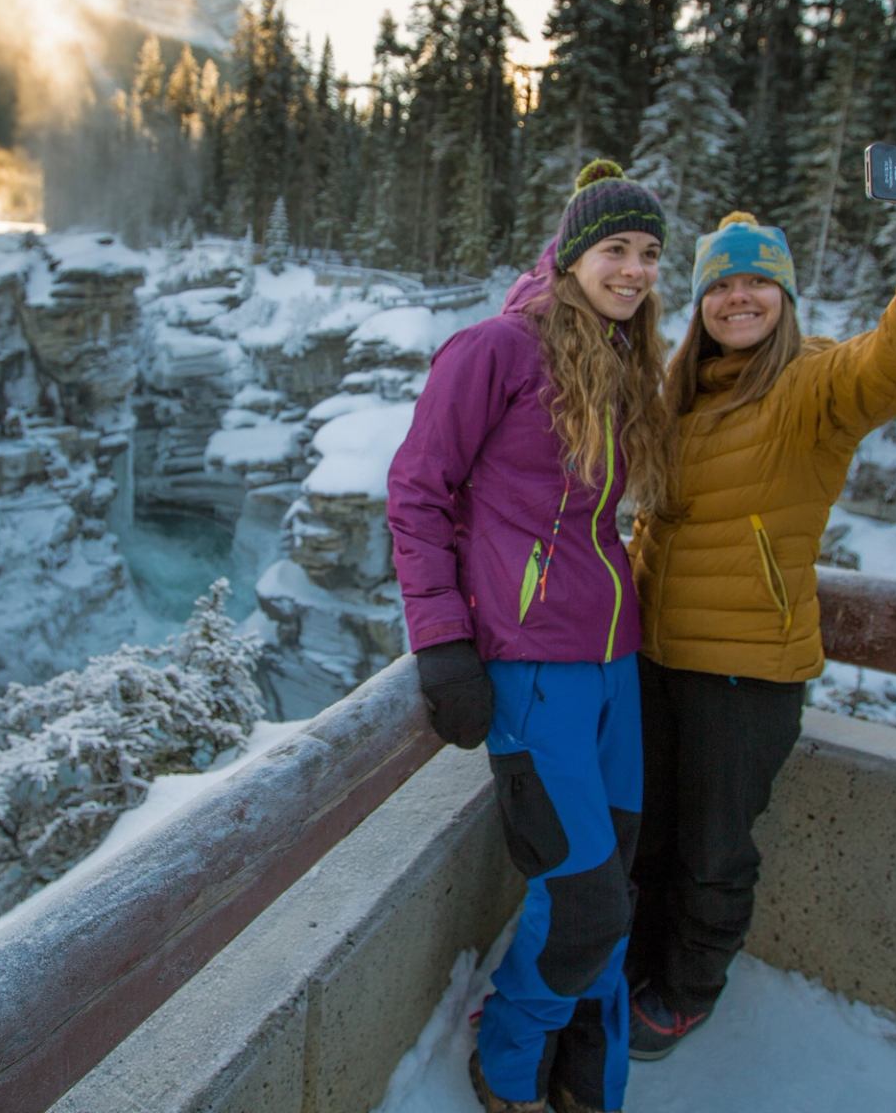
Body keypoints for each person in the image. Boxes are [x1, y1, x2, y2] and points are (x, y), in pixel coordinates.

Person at [623, 132, 896, 1059]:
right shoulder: (673, 394)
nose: (738, 296)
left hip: (744, 677)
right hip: (648, 659)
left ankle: (684, 991)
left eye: (758, 282)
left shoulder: (811, 386)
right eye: (721, 284)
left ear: (785, 297)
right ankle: (629, 964)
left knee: (713, 850)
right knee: (644, 836)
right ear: (702, 302)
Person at [387, 160, 670, 1113]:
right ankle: (508, 1062)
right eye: (616, 250)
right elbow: (416, 493)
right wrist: (441, 642)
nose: (633, 270)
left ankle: (590, 1066)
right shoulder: (497, 350)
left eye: (649, 254)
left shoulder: (622, 360)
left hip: (614, 664)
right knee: (583, 891)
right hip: (534, 671)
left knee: (607, 877)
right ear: (574, 254)